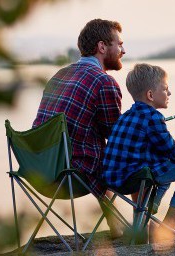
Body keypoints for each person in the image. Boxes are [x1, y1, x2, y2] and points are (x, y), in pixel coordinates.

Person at [32, 19, 126, 236]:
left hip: (39, 170)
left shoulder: (59, 75)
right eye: (119, 44)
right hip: (71, 176)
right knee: (127, 154)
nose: (123, 50)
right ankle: (139, 229)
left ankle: (116, 225)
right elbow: (115, 137)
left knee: (98, 153)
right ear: (102, 47)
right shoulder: (104, 82)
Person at [102, 63, 175, 240]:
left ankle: (145, 220)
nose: (169, 93)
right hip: (137, 180)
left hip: (113, 180)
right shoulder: (153, 117)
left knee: (162, 162)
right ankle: (169, 222)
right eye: (166, 89)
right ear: (151, 95)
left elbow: (150, 146)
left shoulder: (126, 116)